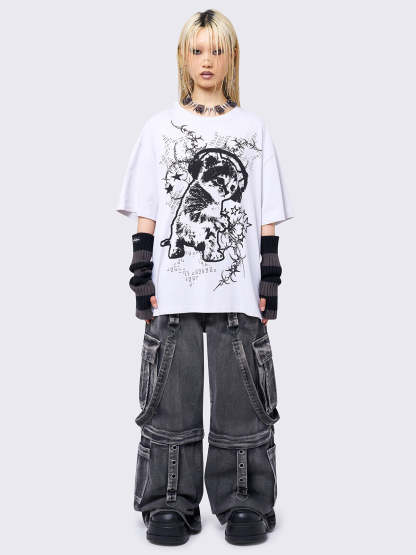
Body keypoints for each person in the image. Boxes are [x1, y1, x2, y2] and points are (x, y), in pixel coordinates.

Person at [115, 9, 294, 546]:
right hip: (173, 292)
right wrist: (141, 274)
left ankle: (244, 499)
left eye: (217, 50)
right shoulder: (158, 128)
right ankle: (170, 499)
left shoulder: (253, 128)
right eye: (197, 50)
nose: (207, 60)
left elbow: (266, 213)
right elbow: (148, 207)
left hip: (237, 292)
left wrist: (269, 279)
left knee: (243, 396)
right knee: (170, 396)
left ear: (231, 57)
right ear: (183, 57)